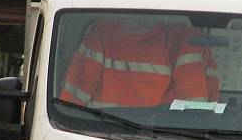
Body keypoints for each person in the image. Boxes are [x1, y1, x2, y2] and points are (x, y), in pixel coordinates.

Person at [60, 17, 219, 108]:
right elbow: (198, 105)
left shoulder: (103, 31)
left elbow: (76, 92)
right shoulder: (190, 38)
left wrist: (64, 123)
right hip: (165, 138)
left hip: (104, 133)